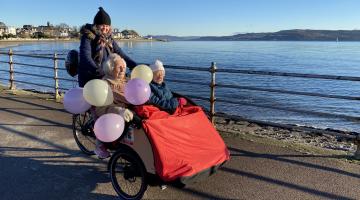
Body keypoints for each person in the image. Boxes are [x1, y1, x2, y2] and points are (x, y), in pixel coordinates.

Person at [78, 7, 137, 87]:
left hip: (105, 78)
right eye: (102, 25)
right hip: (89, 77)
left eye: (107, 25)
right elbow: (85, 57)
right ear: (96, 25)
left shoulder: (109, 39)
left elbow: (121, 54)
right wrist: (99, 72)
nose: (105, 28)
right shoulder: (88, 37)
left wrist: (135, 65)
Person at [94, 53, 134, 159]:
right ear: (111, 69)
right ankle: (101, 145)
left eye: (124, 67)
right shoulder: (104, 84)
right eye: (119, 67)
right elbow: (101, 110)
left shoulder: (127, 81)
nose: (122, 70)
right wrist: (119, 111)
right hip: (114, 118)